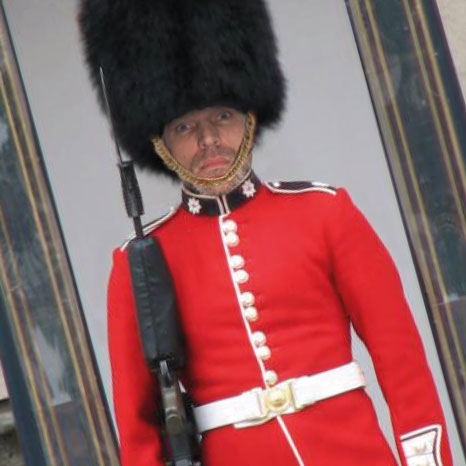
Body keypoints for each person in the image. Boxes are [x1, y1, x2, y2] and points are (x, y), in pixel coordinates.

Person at [78, 1, 454, 465]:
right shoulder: (140, 261)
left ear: (250, 119)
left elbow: (400, 358)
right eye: (185, 127)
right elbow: (138, 425)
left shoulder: (324, 212)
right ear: (160, 143)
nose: (208, 140)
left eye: (223, 117)